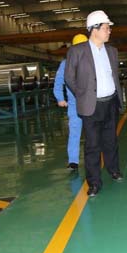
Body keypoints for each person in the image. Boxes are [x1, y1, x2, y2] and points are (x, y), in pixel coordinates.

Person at [65, 10, 124, 197]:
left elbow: (114, 76)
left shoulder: (112, 51)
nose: (109, 31)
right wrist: (82, 94)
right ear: (94, 29)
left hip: (110, 102)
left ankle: (114, 169)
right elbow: (69, 77)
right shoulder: (77, 51)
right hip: (91, 105)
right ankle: (94, 182)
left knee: (111, 141)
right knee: (92, 145)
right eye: (106, 28)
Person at [53, 33, 88, 171]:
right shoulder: (65, 64)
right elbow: (58, 82)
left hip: (91, 103)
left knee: (93, 133)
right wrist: (60, 98)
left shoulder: (92, 62)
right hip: (74, 105)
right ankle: (73, 161)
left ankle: (94, 158)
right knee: (74, 132)